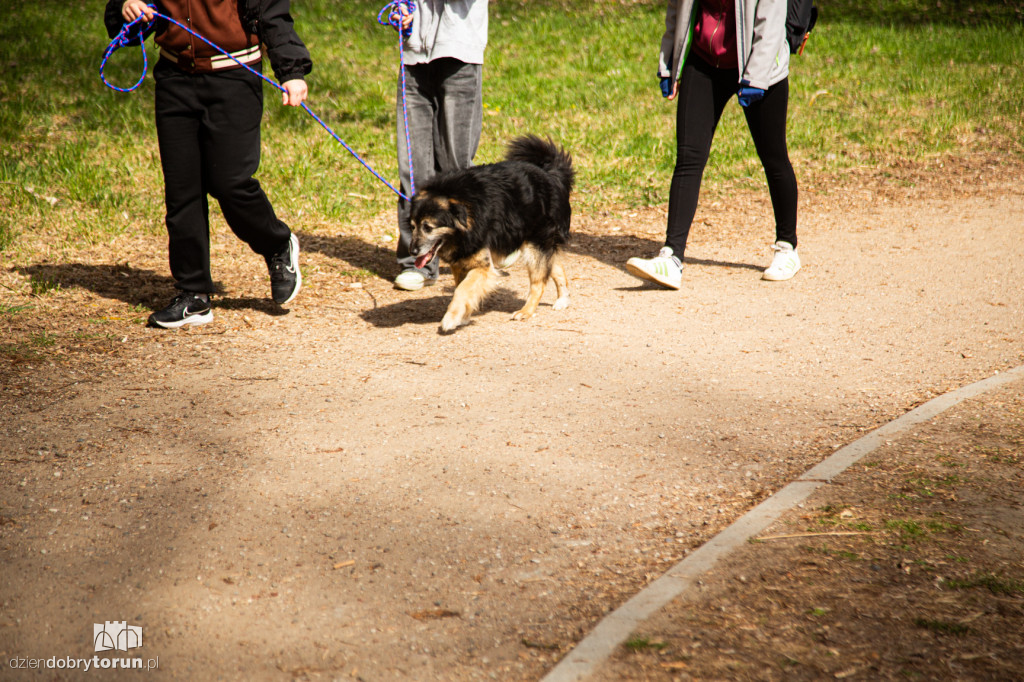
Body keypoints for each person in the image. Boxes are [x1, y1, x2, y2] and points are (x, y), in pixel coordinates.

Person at [110, 0, 312, 328]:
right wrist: (126, 7)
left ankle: (276, 243)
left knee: (229, 182)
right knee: (182, 190)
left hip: (234, 79)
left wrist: (291, 72)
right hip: (175, 79)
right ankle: (194, 295)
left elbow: (272, 12)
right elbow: (127, 10)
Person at [626, 0, 801, 289]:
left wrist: (756, 77)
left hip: (759, 64)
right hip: (704, 60)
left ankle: (787, 247)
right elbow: (678, 9)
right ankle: (671, 258)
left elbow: (770, 19)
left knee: (774, 158)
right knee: (688, 158)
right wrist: (669, 60)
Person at [388, 0, 490, 291]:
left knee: (455, 171)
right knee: (413, 171)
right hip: (413, 54)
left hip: (459, 49)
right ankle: (416, 263)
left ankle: (474, 250)